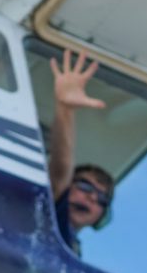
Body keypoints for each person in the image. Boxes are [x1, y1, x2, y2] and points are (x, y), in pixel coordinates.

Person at [46, 50, 115, 252]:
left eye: (102, 199)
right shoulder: (49, 216)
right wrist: (65, 110)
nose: (92, 199)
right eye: (85, 187)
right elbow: (60, 170)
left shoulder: (73, 252)